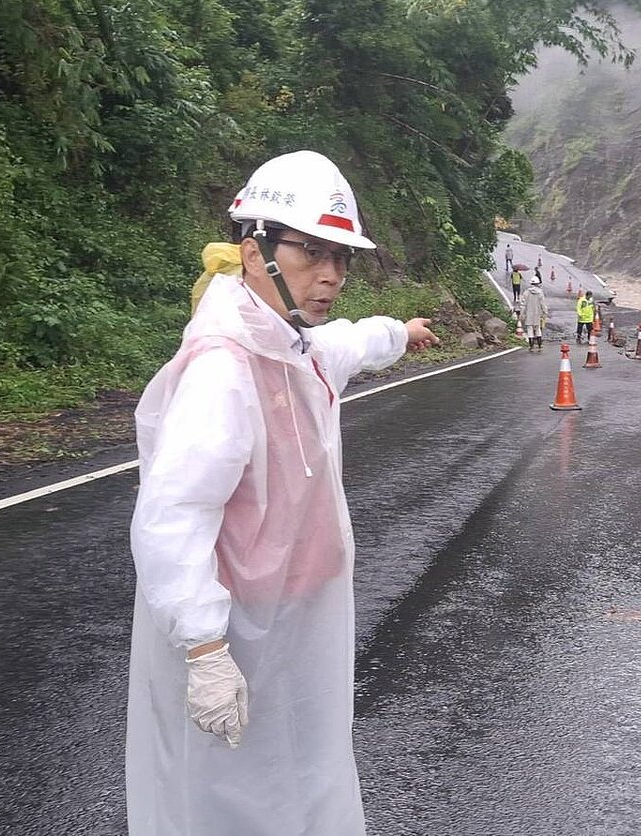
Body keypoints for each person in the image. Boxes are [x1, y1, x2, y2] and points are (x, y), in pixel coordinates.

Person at [126, 150, 439, 835]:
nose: (330, 276)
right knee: (233, 798)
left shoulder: (289, 346)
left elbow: (349, 343)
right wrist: (205, 651)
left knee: (303, 778)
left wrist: (402, 331)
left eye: (341, 259)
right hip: (233, 632)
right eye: (310, 254)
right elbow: (173, 516)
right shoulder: (225, 369)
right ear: (252, 252)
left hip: (295, 623)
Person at [523, 275, 549, 352]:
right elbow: (543, 304)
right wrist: (545, 312)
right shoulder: (540, 293)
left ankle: (531, 345)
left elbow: (523, 304)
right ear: (538, 284)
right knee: (537, 328)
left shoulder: (526, 292)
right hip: (537, 313)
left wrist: (522, 313)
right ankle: (539, 344)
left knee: (529, 329)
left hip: (529, 313)